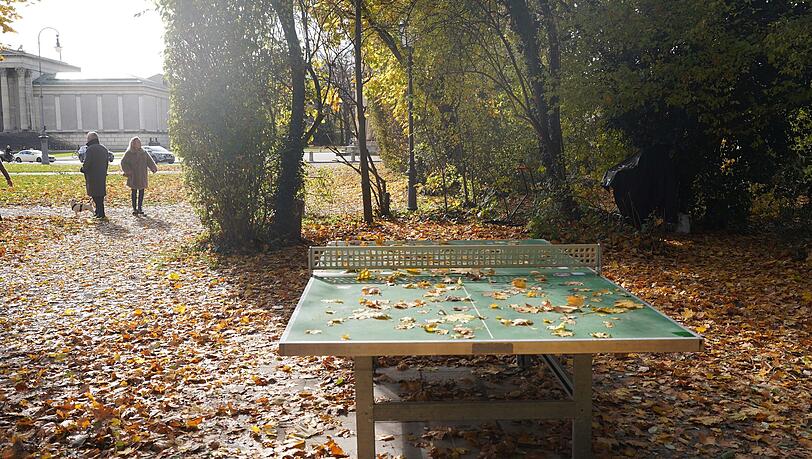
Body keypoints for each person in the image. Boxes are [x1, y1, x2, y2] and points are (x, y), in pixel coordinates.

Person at [120, 136, 157, 217]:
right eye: (137, 142)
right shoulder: (129, 153)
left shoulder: (144, 152)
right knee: (134, 192)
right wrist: (128, 171)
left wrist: (153, 168)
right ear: (133, 144)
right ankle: (134, 208)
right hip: (133, 176)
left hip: (142, 175)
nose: (139, 144)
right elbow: (123, 162)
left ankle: (140, 208)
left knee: (141, 192)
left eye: (140, 142)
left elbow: (149, 161)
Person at [80, 131, 110, 219]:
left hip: (92, 175)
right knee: (100, 195)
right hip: (101, 175)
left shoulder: (90, 149)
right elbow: (106, 162)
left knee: (95, 195)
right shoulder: (103, 148)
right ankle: (99, 212)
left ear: (90, 139)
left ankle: (99, 213)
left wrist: (83, 169)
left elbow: (87, 163)